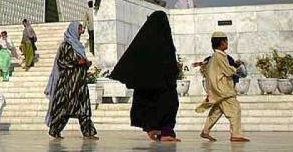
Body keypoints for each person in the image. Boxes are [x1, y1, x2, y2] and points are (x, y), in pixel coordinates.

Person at [109, 11, 179, 141]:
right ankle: (166, 133)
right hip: (164, 84)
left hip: (147, 85)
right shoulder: (164, 42)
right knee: (169, 104)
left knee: (150, 104)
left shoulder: (144, 40)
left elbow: (133, 60)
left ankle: (153, 128)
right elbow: (168, 63)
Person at [45, 21, 98, 139]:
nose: (81, 31)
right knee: (65, 108)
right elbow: (61, 62)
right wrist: (76, 62)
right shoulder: (66, 45)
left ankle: (88, 132)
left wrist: (86, 63)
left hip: (80, 83)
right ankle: (55, 130)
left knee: (84, 108)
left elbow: (81, 61)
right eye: (79, 29)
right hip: (68, 84)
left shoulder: (78, 45)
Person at [196, 32, 249, 142]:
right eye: (226, 41)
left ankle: (205, 131)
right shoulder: (219, 56)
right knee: (235, 109)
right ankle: (236, 135)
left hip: (218, 90)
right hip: (223, 90)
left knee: (217, 111)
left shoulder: (215, 56)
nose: (227, 43)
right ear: (222, 43)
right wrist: (239, 69)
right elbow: (228, 70)